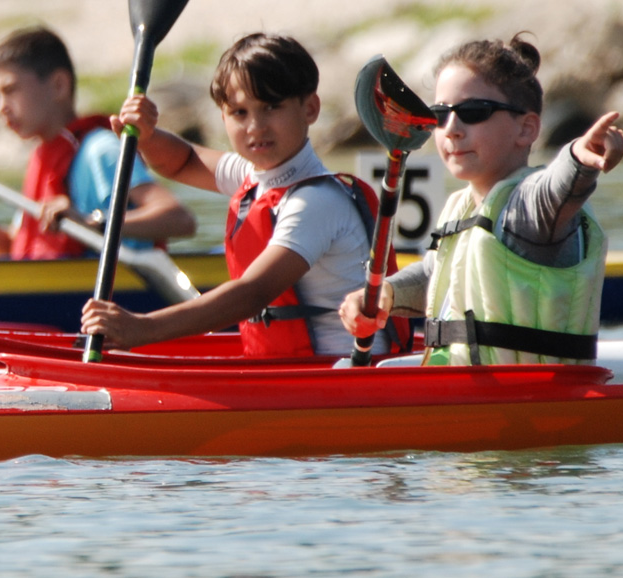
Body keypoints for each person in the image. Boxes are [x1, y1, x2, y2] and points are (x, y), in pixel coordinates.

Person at [81, 33, 392, 358]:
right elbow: (183, 161)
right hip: (288, 375)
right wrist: (147, 137)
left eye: (271, 107)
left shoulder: (315, 201)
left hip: (338, 377)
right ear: (223, 118)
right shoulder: (255, 175)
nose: (255, 126)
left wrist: (143, 328)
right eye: (240, 113)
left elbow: (252, 294)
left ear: (310, 108)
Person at [339, 34, 623, 366]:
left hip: (531, 405)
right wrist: (387, 293)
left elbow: (558, 190)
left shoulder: (528, 207)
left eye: (473, 112)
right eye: (440, 113)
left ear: (527, 129)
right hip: (464, 395)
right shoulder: (460, 206)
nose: (451, 128)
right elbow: (436, 275)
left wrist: (579, 155)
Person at [0, 26, 195, 259]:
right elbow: (9, 251)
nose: (1, 107)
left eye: (10, 90)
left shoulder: (100, 150)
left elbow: (179, 219)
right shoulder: (41, 159)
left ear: (58, 86)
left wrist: (92, 223)